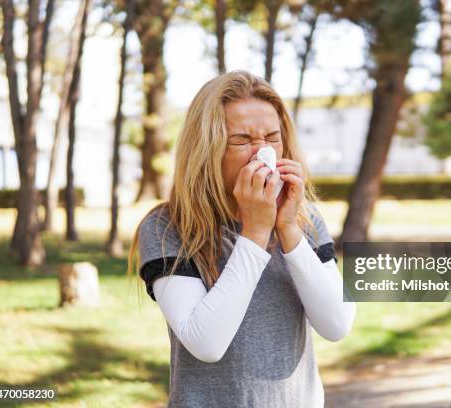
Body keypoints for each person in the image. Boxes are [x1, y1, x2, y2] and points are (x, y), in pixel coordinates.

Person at [128, 70, 356, 408]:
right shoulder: (167, 226)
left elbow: (336, 325)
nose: (262, 152)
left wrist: (289, 229)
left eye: (272, 137)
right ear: (207, 149)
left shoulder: (304, 219)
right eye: (241, 140)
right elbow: (206, 343)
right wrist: (256, 232)